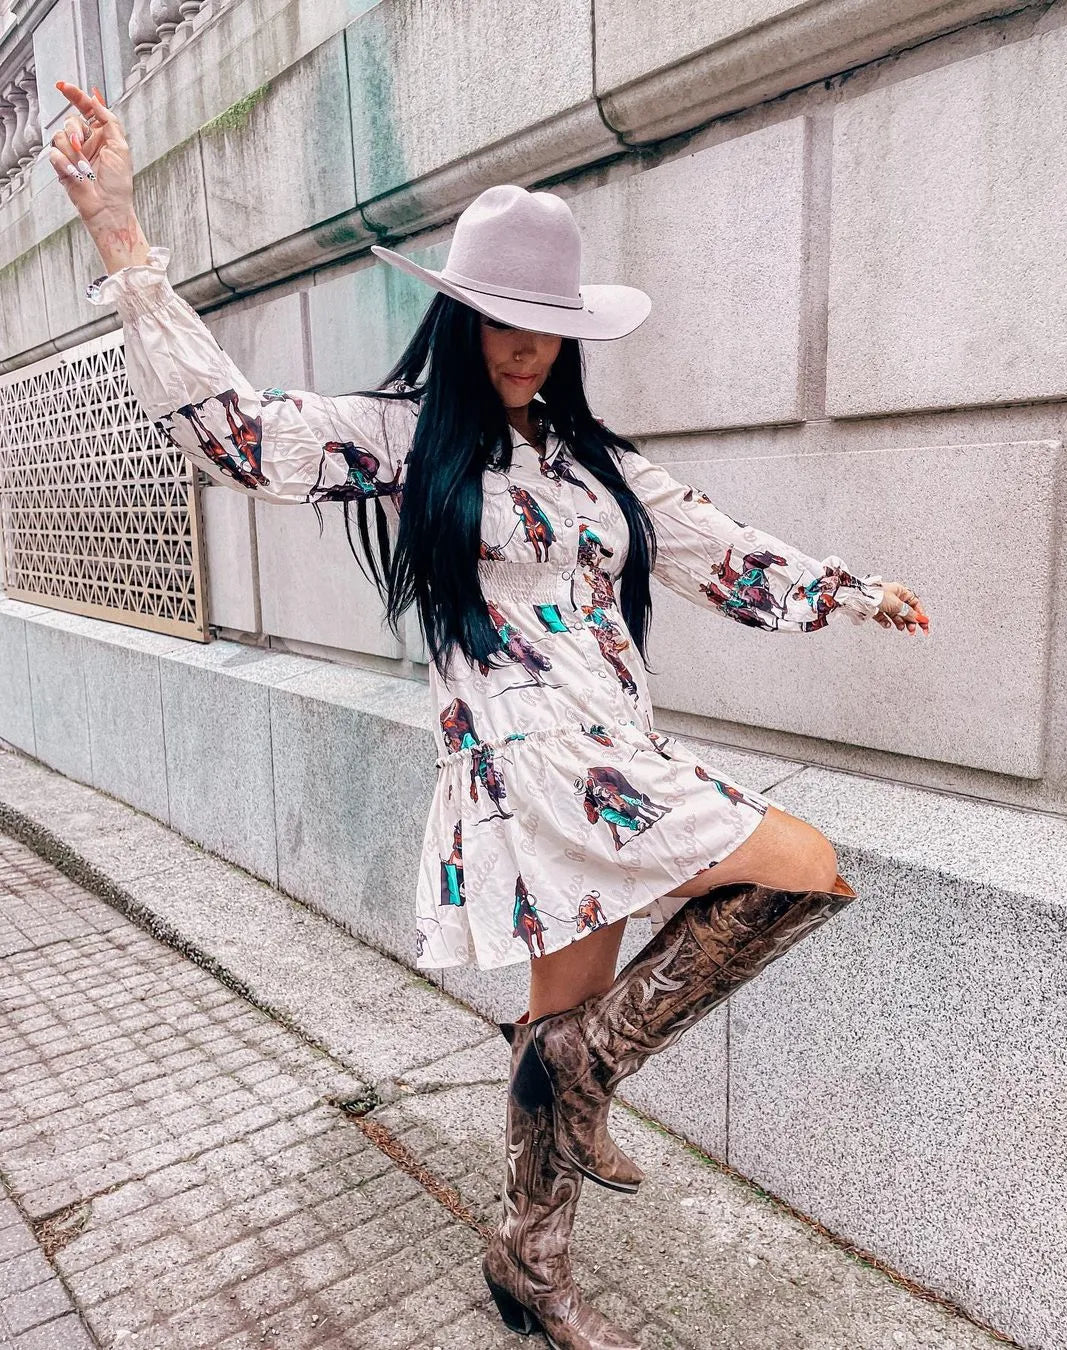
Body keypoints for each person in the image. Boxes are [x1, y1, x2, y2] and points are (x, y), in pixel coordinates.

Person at [47, 81, 930, 1349]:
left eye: (545, 330)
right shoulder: (406, 442)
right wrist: (123, 238)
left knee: (566, 1019)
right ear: (456, 321)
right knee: (794, 873)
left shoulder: (597, 469)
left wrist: (852, 592)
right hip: (523, 760)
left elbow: (724, 552)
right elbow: (237, 438)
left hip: (610, 752)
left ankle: (527, 1253)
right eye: (499, 325)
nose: (523, 351)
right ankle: (576, 1092)